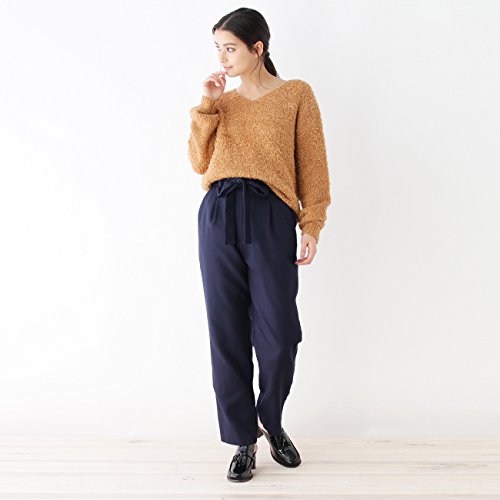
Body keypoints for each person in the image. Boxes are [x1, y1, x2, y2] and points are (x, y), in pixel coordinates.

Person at [187, 7, 331, 482]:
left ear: (257, 48)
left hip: (271, 214)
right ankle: (243, 438)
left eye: (230, 48)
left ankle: (271, 419)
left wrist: (312, 224)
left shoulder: (295, 94)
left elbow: (313, 165)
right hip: (219, 211)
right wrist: (207, 105)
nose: (223, 58)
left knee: (279, 332)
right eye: (218, 49)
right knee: (226, 330)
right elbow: (198, 161)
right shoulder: (221, 103)